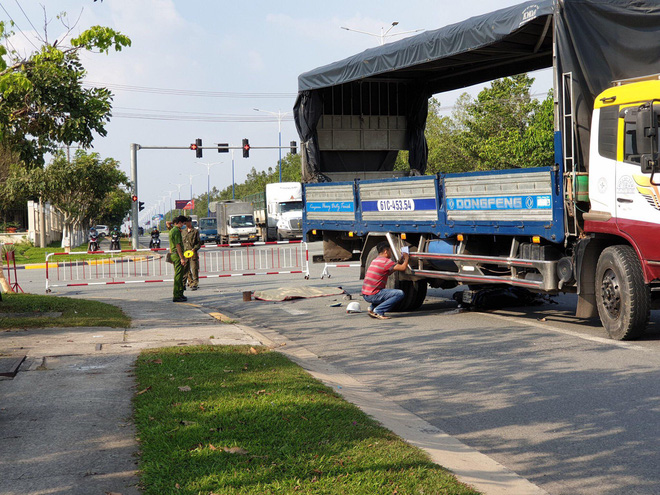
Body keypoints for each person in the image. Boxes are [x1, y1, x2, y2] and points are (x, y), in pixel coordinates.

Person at [361, 241, 410, 320]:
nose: (391, 253)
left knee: (383, 292)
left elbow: (389, 272)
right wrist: (407, 258)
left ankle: (371, 308)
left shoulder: (376, 260)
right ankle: (379, 310)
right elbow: (403, 268)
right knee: (399, 293)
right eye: (390, 251)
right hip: (373, 294)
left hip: (366, 294)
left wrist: (399, 262)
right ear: (386, 251)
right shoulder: (386, 261)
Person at [169, 215, 188, 302]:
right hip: (177, 255)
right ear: (179, 222)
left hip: (174, 254)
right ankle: (177, 295)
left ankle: (180, 293)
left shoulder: (172, 230)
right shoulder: (176, 231)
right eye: (183, 223)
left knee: (179, 275)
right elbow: (178, 245)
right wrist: (182, 258)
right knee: (178, 275)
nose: (183, 225)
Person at [182, 215, 202, 290]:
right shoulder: (183, 232)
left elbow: (199, 243)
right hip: (185, 253)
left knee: (194, 269)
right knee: (185, 270)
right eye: (185, 223)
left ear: (190, 222)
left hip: (193, 253)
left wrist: (194, 249)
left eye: (187, 222)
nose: (186, 224)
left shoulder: (195, 231)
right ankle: (185, 283)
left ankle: (195, 283)